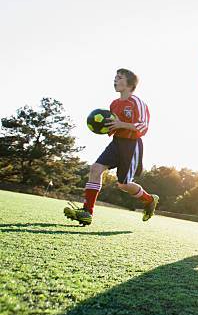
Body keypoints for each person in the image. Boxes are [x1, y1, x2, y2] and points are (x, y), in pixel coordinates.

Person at [64, 69, 158, 225]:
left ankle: (149, 200)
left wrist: (121, 124)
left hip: (132, 145)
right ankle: (87, 212)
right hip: (116, 142)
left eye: (119, 78)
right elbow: (113, 126)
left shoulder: (137, 102)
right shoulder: (114, 104)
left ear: (129, 84)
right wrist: (104, 127)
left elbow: (143, 126)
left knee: (123, 184)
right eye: (115, 77)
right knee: (95, 169)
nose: (115, 80)